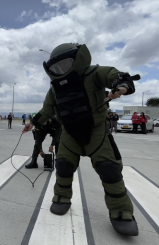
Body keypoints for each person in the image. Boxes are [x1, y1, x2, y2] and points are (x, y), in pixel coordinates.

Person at [22, 43, 139, 236]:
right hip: (69, 133)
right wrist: (32, 123)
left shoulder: (94, 74)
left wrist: (122, 86)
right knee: (63, 166)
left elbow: (116, 76)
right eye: (56, 68)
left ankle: (121, 212)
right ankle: (61, 198)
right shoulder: (55, 89)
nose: (61, 71)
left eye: (65, 64)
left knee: (109, 169)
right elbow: (47, 110)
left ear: (78, 59)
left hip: (96, 131)